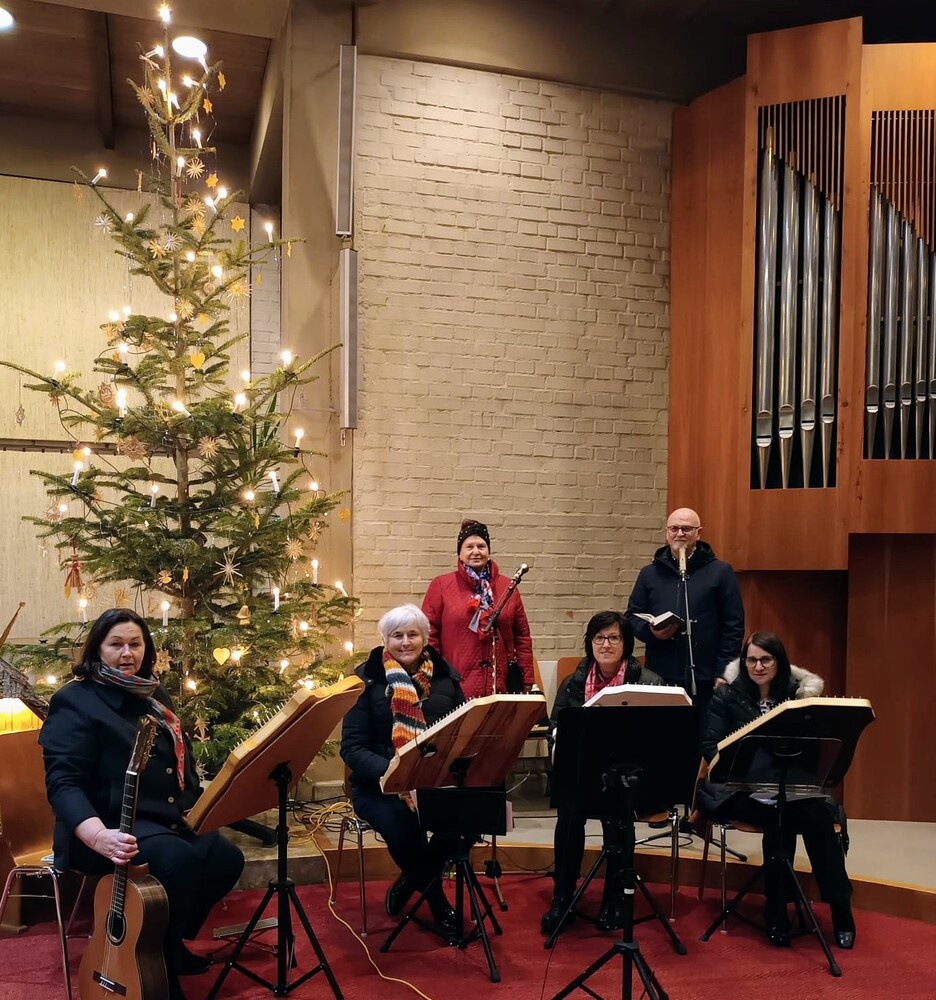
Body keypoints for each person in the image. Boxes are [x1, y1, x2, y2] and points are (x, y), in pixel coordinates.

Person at [39, 608, 245, 1000]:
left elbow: (177, 765)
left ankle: (166, 945)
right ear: (97, 649)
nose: (127, 653)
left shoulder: (152, 693)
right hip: (104, 826)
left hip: (160, 817)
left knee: (225, 859)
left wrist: (197, 806)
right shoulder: (75, 700)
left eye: (135, 644)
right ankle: (154, 964)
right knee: (177, 862)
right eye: (116, 644)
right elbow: (63, 783)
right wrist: (97, 836)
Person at [698, 630, 855, 950]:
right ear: (743, 663)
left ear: (779, 662)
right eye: (751, 660)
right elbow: (710, 746)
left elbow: (816, 748)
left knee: (819, 819)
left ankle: (841, 911)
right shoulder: (726, 696)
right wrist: (743, 764)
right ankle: (777, 910)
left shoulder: (798, 697)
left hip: (791, 786)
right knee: (778, 817)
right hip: (738, 789)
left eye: (766, 659)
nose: (758, 666)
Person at [340, 604, 462, 933]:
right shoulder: (364, 681)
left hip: (435, 781)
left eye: (412, 634)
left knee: (470, 817)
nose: (405, 642)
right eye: (397, 635)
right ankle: (436, 900)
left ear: (425, 638)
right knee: (402, 824)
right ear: (384, 640)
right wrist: (396, 770)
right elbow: (351, 748)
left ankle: (411, 878)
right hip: (379, 785)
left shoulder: (446, 678)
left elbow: (461, 732)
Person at [541, 611, 663, 936]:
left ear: (626, 643)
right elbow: (555, 727)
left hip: (628, 777)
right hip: (585, 774)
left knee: (619, 817)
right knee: (568, 815)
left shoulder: (649, 682)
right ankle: (562, 896)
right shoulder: (573, 683)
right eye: (599, 638)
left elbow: (660, 738)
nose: (605, 644)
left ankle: (616, 898)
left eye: (613, 638)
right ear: (590, 643)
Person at [626, 506, 744, 715]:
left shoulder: (721, 572)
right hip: (661, 673)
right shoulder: (649, 574)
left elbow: (733, 626)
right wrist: (651, 632)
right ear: (667, 533)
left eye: (686, 529)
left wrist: (724, 671)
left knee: (703, 732)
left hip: (706, 675)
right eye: (674, 528)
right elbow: (632, 616)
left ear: (698, 533)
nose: (679, 533)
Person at [422, 518, 534, 699]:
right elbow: (428, 634)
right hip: (455, 686)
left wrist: (526, 679)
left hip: (500, 684)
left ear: (488, 551)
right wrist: (436, 676)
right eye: (469, 547)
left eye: (481, 546)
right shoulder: (441, 585)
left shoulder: (508, 587)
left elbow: (522, 638)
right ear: (460, 553)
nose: (476, 552)